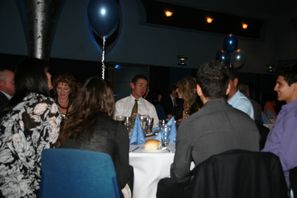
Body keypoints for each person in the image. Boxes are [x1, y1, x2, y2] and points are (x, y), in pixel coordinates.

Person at [156, 60, 260, 198]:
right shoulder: (250, 123)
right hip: (245, 191)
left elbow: (179, 174)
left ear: (198, 90)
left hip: (207, 192)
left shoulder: (190, 124)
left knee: (165, 185)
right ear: (228, 88)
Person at [56, 76, 132, 197]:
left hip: (67, 191)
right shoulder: (118, 129)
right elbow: (121, 180)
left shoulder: (68, 125)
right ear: (109, 99)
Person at [0, 58, 62, 197]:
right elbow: (46, 155)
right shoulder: (45, 105)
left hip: (6, 182)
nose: (51, 76)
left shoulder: (16, 104)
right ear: (37, 77)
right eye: (46, 72)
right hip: (24, 186)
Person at [262, 64, 297, 187]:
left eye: (280, 84)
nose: (275, 88)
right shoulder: (287, 111)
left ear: (295, 86)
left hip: (279, 181)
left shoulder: (294, 115)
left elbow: (288, 159)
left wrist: (263, 171)